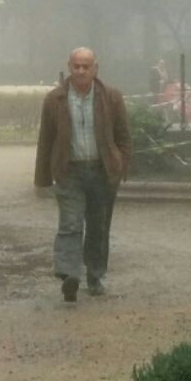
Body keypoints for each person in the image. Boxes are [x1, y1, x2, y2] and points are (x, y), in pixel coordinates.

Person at [33, 47, 131, 302]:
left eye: (86, 66)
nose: (80, 71)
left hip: (102, 172)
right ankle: (69, 275)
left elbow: (123, 137)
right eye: (76, 66)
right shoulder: (55, 99)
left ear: (95, 68)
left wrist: (119, 165)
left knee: (98, 228)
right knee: (70, 224)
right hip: (69, 173)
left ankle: (95, 276)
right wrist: (42, 179)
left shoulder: (111, 97)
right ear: (69, 67)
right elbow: (46, 140)